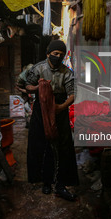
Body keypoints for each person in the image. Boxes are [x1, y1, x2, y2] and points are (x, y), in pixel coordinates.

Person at [26, 40, 78, 201]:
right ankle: (46, 182)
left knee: (62, 145)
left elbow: (72, 95)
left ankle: (61, 183)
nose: (58, 57)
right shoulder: (38, 68)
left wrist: (61, 108)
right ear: (48, 53)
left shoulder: (67, 73)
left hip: (59, 109)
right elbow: (27, 86)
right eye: (55, 54)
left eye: (61, 55)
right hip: (40, 110)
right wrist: (39, 87)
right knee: (42, 144)